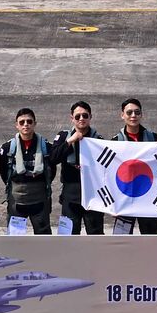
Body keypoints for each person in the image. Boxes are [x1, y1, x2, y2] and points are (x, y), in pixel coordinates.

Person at [0, 107, 55, 233]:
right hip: (16, 201)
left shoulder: (46, 147)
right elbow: (4, 173)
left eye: (29, 122)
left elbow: (51, 172)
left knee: (43, 239)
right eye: (22, 122)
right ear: (16, 125)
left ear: (35, 124)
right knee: (15, 241)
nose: (26, 125)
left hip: (39, 200)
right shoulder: (7, 148)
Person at [115, 97, 157, 234]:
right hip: (124, 197)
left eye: (137, 112)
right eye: (129, 112)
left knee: (151, 240)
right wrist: (113, 204)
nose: (133, 116)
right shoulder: (114, 142)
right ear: (122, 115)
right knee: (122, 240)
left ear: (141, 114)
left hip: (147, 197)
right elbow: (109, 173)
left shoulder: (153, 138)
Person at [56, 100, 103, 236]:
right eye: (77, 116)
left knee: (96, 235)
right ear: (72, 118)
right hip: (70, 195)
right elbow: (53, 158)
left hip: (93, 196)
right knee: (68, 236)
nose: (81, 119)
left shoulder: (99, 140)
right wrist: (70, 141)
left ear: (90, 117)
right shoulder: (64, 137)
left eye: (85, 115)